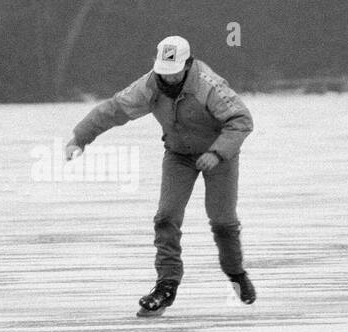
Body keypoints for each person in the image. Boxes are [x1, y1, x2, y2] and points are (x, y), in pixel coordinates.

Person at [65, 35, 255, 317]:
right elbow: (115, 109)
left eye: (174, 72)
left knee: (223, 221)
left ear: (188, 64)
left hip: (218, 156)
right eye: (163, 72)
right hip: (178, 155)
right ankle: (166, 285)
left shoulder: (207, 85)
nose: (167, 79)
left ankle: (236, 273)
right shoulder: (150, 84)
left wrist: (216, 153)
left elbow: (241, 120)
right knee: (166, 217)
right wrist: (80, 137)